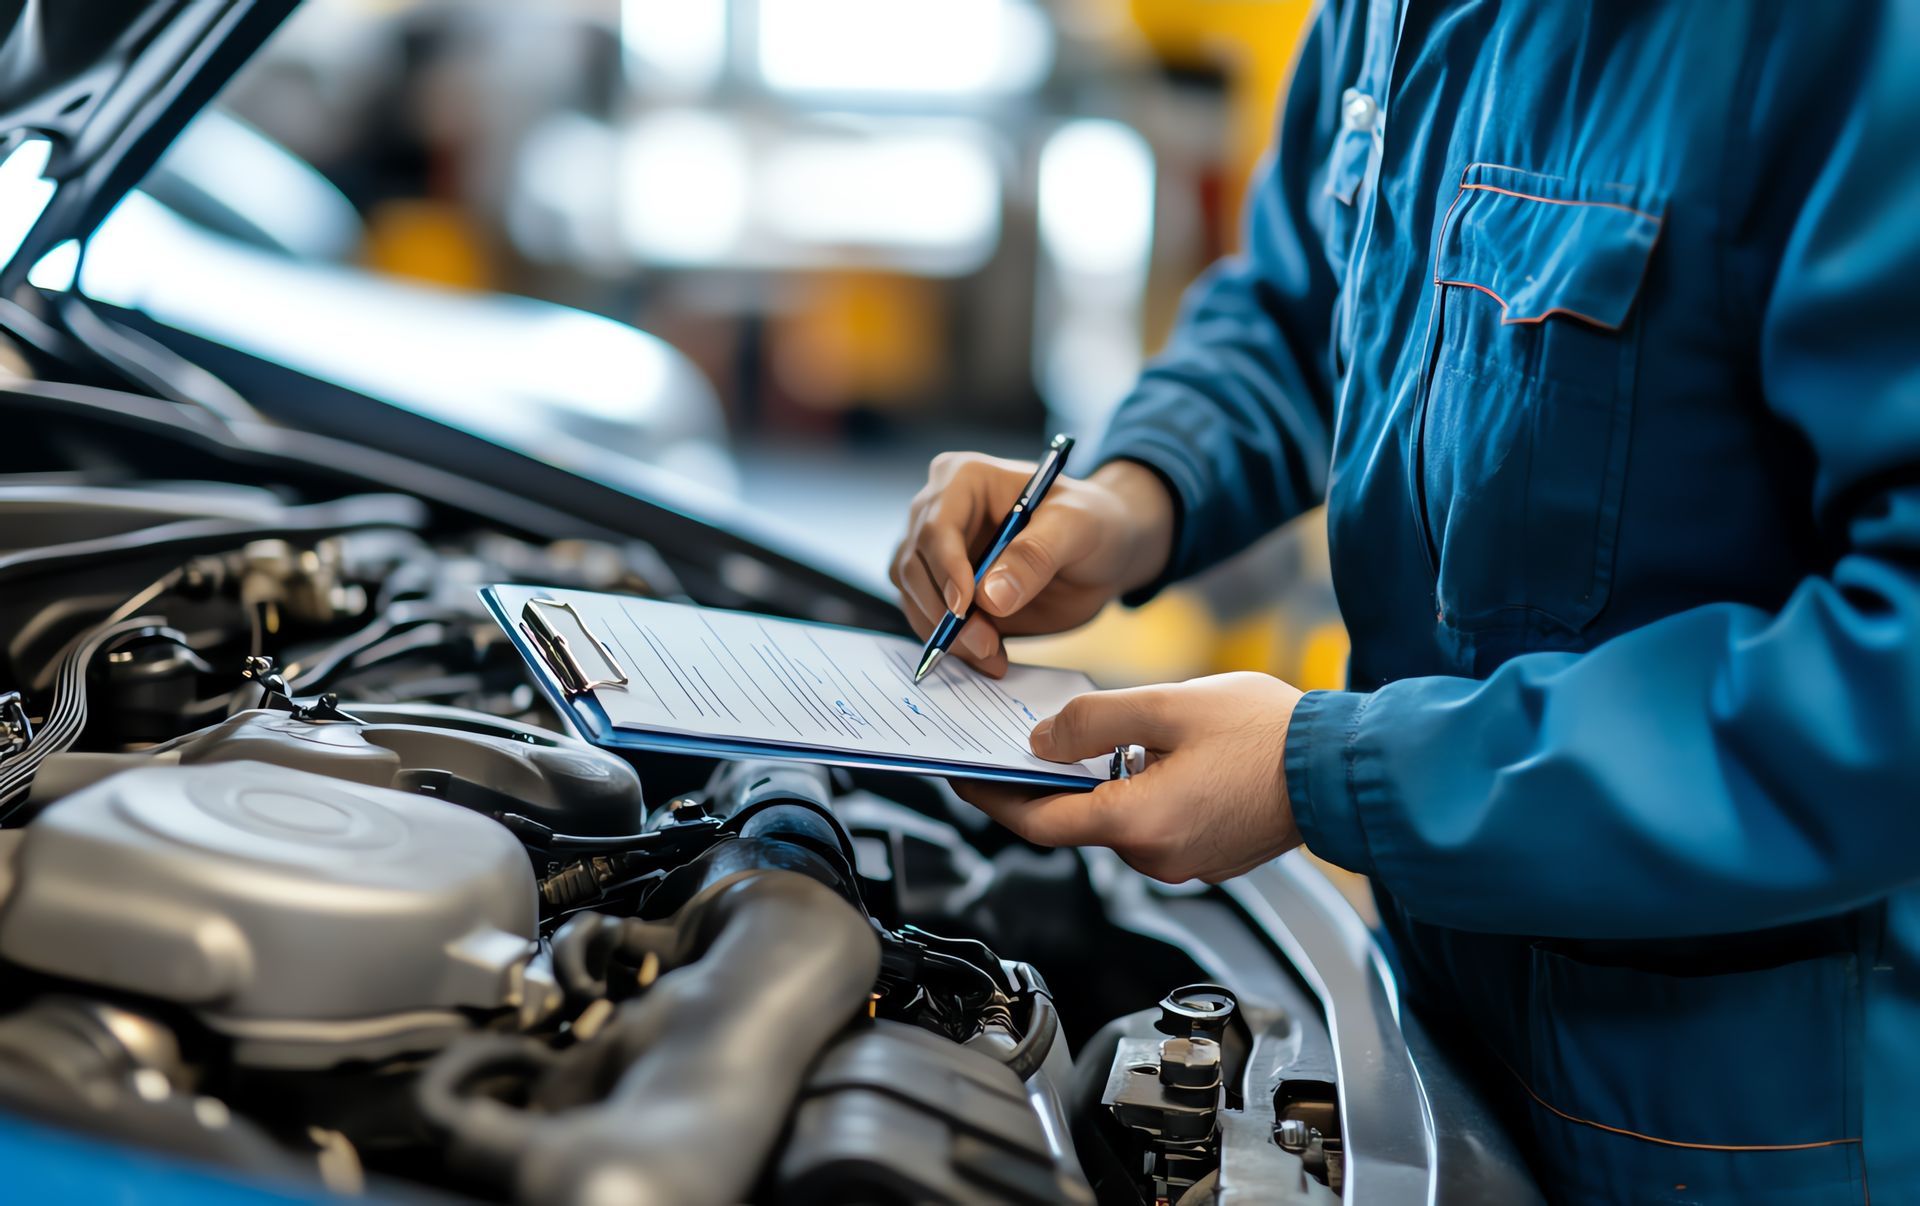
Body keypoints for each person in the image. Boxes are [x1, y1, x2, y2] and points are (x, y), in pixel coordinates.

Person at [889, 2, 1919, 1202]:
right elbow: (1304, 308)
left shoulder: (1845, 40)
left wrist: (1332, 774)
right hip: (1434, 1031)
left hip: (1760, 1129)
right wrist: (1134, 494)